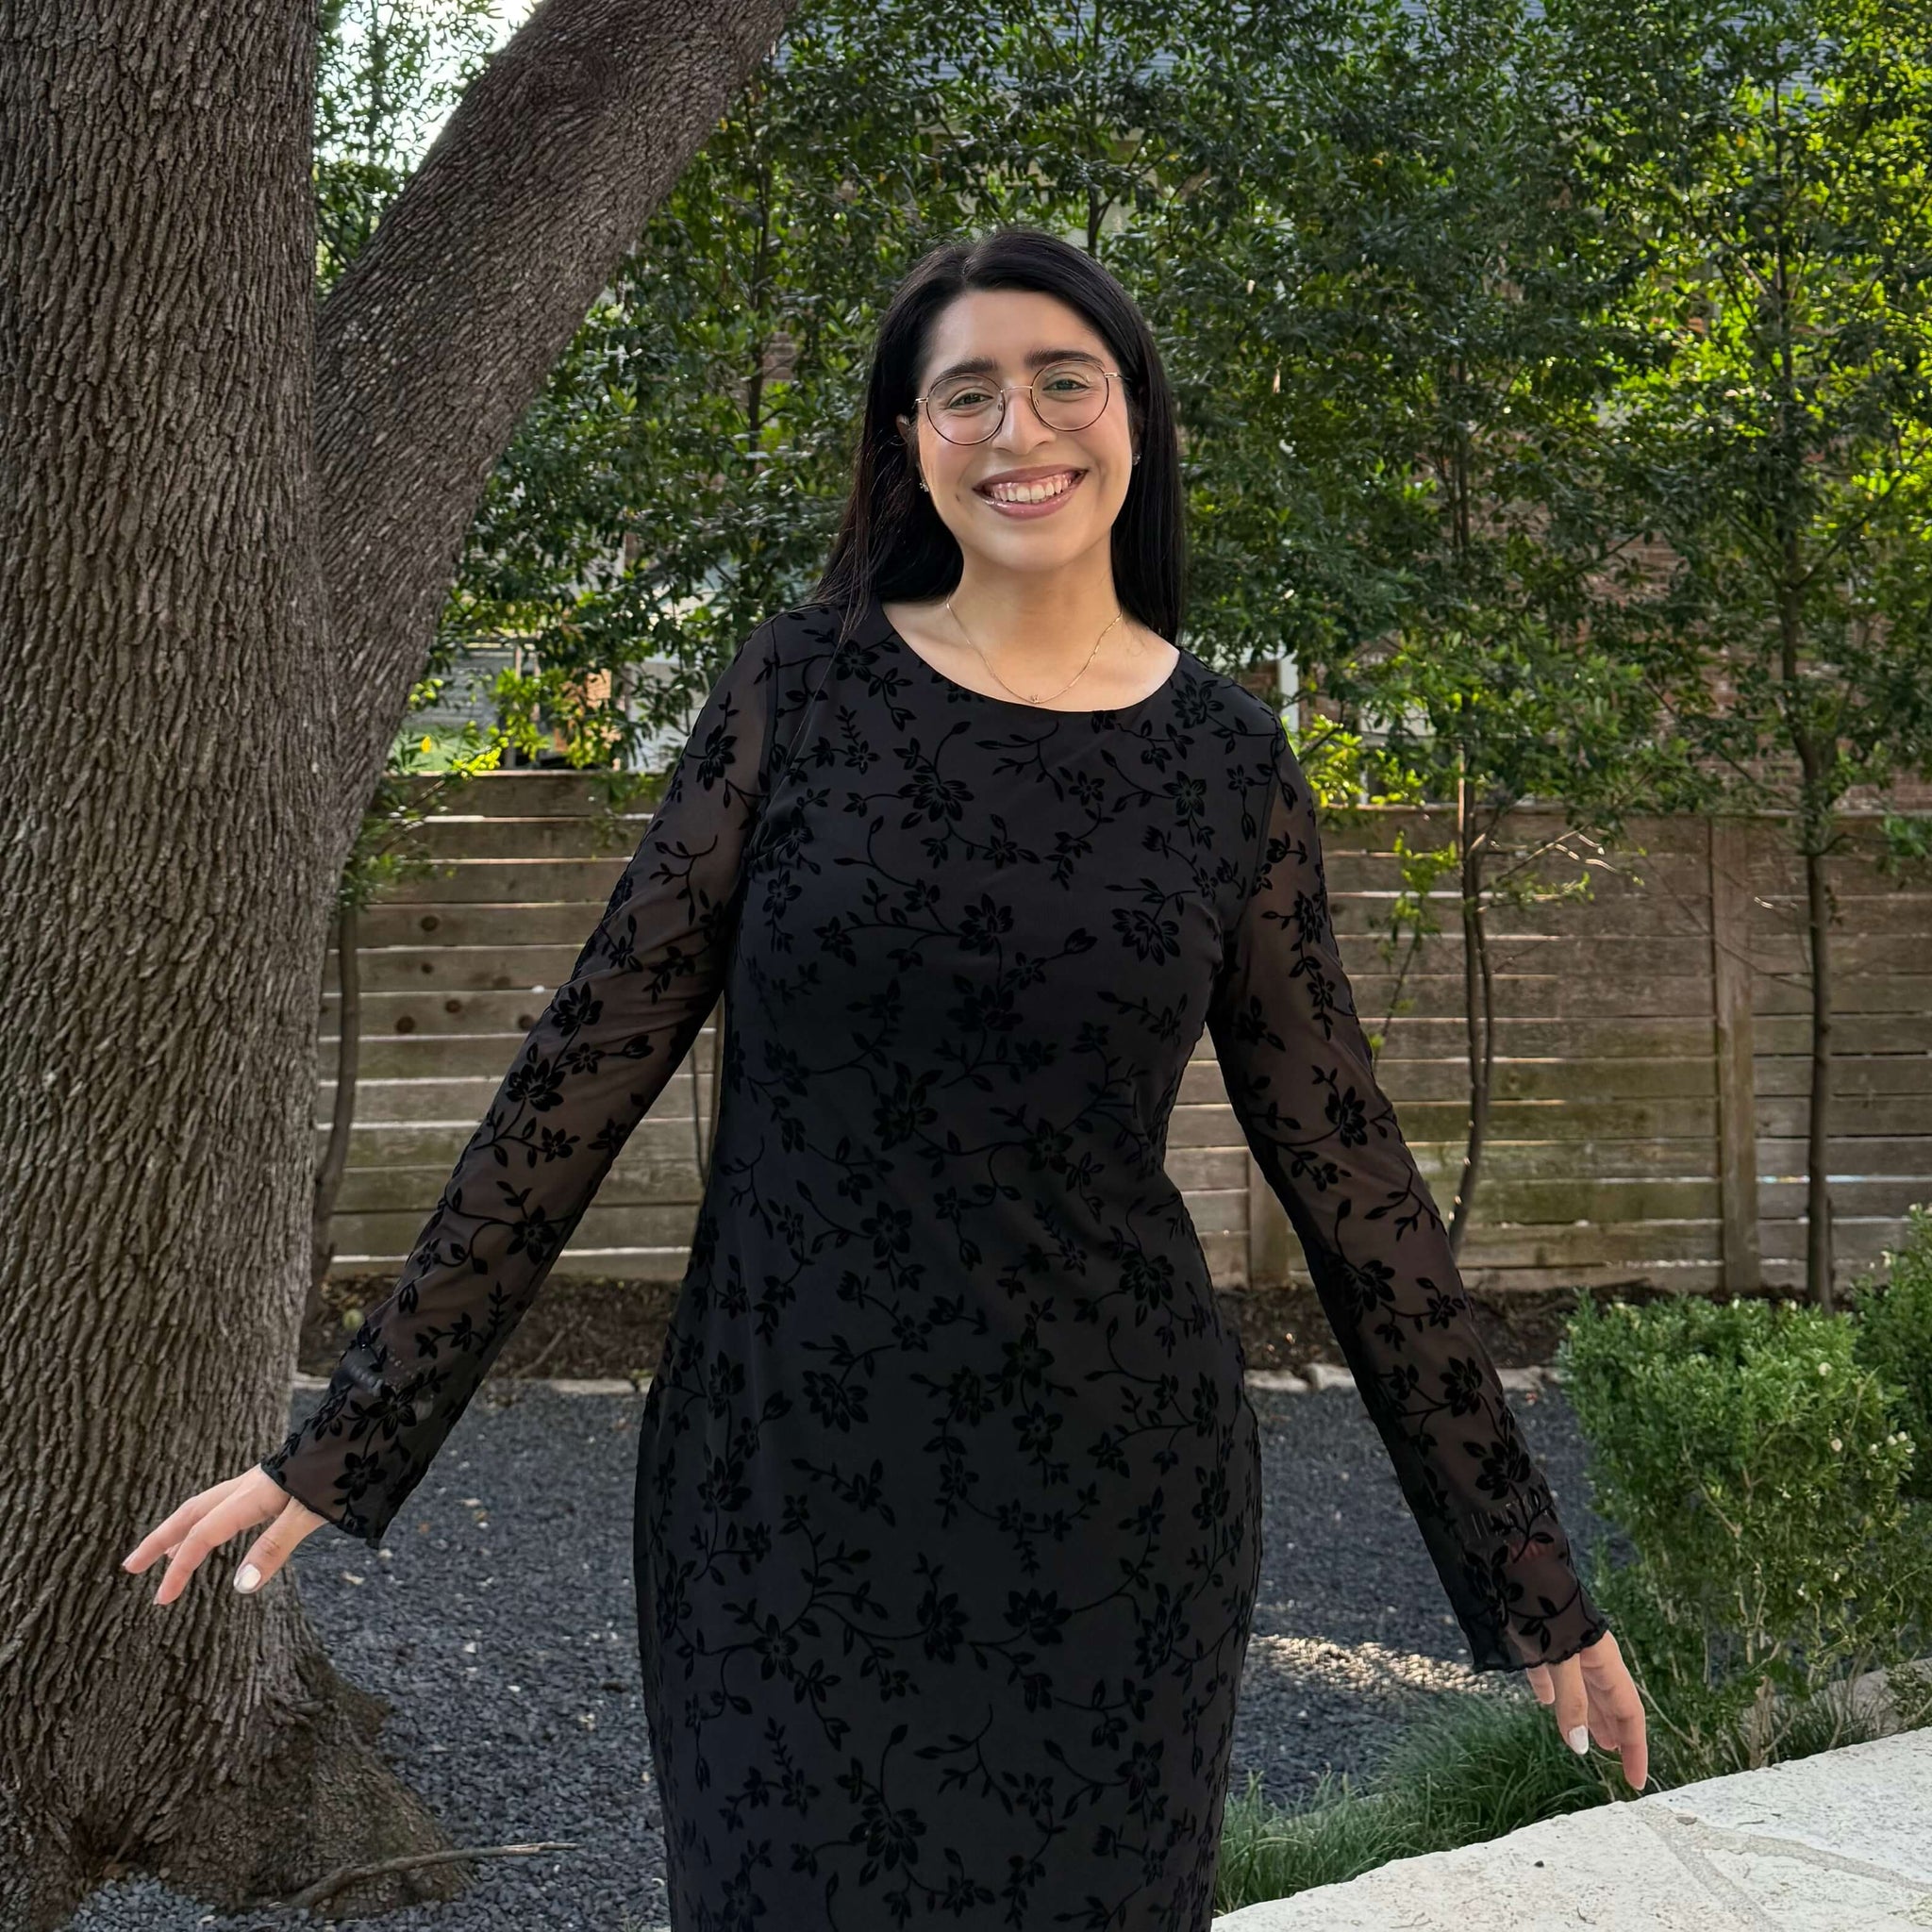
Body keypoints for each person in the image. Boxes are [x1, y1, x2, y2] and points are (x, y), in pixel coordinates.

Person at [122, 224, 1647, 1928]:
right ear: (909, 442)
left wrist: (1530, 1577)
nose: (1019, 430)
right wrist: (346, 1440)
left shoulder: (1227, 762)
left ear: (1136, 416)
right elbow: (584, 1068)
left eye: (1063, 381)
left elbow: (1350, 1177)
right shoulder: (801, 689)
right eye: (965, 393)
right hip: (779, 1492)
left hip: (1115, 1508)